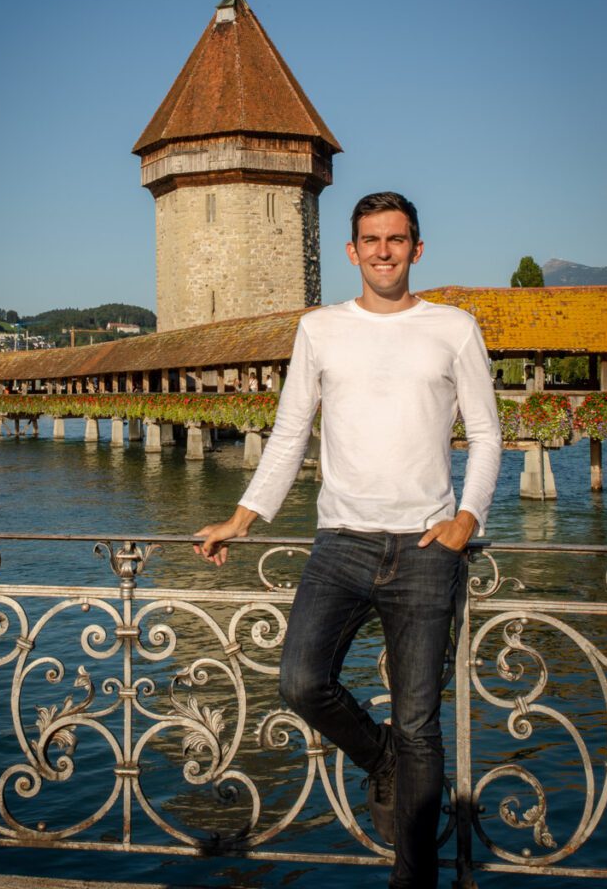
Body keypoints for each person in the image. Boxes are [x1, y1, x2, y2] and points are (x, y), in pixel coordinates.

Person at [194, 192, 502, 888]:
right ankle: (380, 759)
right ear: (351, 251)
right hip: (338, 543)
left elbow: (485, 435)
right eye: (371, 240)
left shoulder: (453, 327)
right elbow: (289, 430)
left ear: (415, 250)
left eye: (396, 239)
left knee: (420, 724)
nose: (383, 251)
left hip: (427, 547)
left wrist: (466, 520)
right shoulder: (320, 330)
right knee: (301, 681)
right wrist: (242, 518)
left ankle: (412, 878)